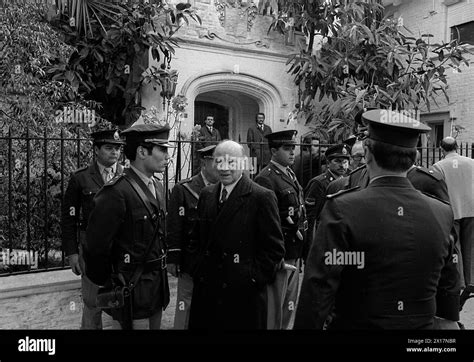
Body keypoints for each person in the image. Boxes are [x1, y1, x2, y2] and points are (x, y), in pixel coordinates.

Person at [295, 109, 460, 329]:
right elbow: (448, 284)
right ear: (415, 156)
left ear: (368, 154)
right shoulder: (441, 212)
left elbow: (318, 287)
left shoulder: (342, 208)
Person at [188, 140, 285, 329]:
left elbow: (274, 248)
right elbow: (197, 238)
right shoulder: (207, 194)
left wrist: (252, 277)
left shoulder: (261, 197)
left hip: (243, 295)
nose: (224, 168)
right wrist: (197, 268)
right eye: (219, 162)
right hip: (208, 290)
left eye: (231, 162)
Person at [84, 122, 173, 330]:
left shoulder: (157, 186)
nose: (167, 156)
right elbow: (96, 247)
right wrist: (115, 282)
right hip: (131, 289)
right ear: (142, 151)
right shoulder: (116, 192)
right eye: (163, 149)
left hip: (156, 287)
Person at [61, 123, 124, 329]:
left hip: (121, 248)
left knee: (123, 300)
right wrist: (72, 253)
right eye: (108, 147)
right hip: (90, 250)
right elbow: (68, 218)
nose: (114, 151)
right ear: (96, 150)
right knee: (92, 302)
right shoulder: (81, 178)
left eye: (117, 147)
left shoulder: (126, 176)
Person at [254, 130, 307, 329]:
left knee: (288, 306)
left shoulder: (289, 173)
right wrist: (275, 256)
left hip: (294, 250)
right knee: (275, 306)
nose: (292, 152)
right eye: (287, 149)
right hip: (280, 253)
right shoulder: (266, 178)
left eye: (293, 148)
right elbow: (267, 222)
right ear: (273, 151)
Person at [166, 145, 219, 329]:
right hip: (191, 260)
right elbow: (174, 225)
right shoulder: (184, 189)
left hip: (216, 261)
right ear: (205, 162)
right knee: (185, 304)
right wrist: (173, 258)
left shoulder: (225, 189)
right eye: (217, 160)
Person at [433, 137, 474, 289]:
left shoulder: (438, 166)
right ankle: (472, 280)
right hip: (471, 208)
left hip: (452, 209)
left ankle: (460, 281)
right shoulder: (471, 162)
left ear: (441, 149)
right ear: (457, 146)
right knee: (471, 245)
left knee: (455, 247)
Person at [304, 143, 351, 245]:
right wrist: (310, 247)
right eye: (337, 161)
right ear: (328, 163)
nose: (342, 165)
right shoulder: (319, 183)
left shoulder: (348, 181)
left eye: (345, 162)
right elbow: (311, 217)